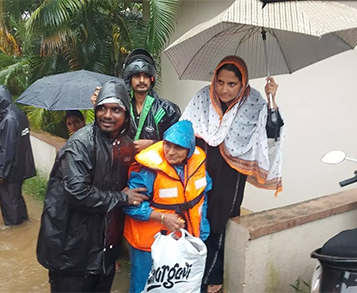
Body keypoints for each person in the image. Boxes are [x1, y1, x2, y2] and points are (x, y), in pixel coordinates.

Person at [180, 56, 285, 293]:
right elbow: (185, 130)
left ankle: (213, 277)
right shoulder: (202, 97)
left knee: (221, 220)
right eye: (220, 82)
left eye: (231, 84)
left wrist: (272, 101)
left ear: (242, 83)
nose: (224, 89)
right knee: (195, 217)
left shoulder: (255, 101)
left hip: (231, 174)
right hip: (200, 169)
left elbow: (271, 132)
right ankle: (192, 273)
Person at [36, 80, 149, 293]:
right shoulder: (80, 145)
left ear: (125, 115)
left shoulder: (124, 144)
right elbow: (77, 193)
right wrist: (122, 198)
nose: (107, 115)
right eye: (102, 108)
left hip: (103, 250)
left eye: (116, 110)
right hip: (70, 251)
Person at [123, 120, 211, 293]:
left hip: (183, 243)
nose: (170, 152)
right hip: (149, 245)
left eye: (178, 147)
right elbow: (129, 205)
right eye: (168, 145)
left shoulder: (197, 168)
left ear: (190, 149)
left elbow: (202, 198)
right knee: (145, 288)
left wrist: (202, 231)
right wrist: (162, 217)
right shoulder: (148, 172)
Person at [92, 49, 181, 152]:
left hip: (155, 166)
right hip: (123, 165)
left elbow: (179, 144)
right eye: (137, 76)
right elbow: (103, 138)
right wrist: (100, 108)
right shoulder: (119, 109)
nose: (142, 80)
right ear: (129, 78)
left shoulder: (168, 110)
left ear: (151, 79)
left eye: (146, 76)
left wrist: (153, 145)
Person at [0, 85, 36, 226]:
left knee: (9, 201)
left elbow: (7, 149)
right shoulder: (19, 114)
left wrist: (1, 173)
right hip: (21, 166)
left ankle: (14, 227)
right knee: (16, 197)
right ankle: (23, 222)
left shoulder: (9, 120)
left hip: (11, 169)